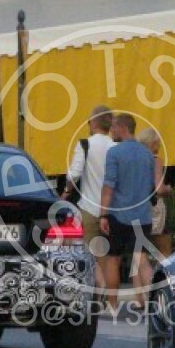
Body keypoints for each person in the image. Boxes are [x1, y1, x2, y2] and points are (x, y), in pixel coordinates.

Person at [99, 113, 156, 312]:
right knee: (141, 258)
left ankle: (112, 304)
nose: (111, 131)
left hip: (118, 215)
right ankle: (153, 302)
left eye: (114, 127)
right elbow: (152, 186)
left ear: (123, 128)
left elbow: (109, 185)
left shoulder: (114, 153)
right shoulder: (147, 154)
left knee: (113, 258)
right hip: (142, 215)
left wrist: (103, 214)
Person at [66, 105, 114, 292]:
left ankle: (96, 292)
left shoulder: (84, 144)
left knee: (90, 254)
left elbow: (74, 174)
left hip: (88, 206)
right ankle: (110, 297)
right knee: (108, 256)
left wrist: (67, 189)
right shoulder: (115, 146)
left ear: (92, 123)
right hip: (111, 210)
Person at [137, 126, 174, 260]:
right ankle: (166, 278)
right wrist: (169, 190)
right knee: (164, 247)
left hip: (136, 207)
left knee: (140, 250)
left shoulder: (133, 160)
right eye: (157, 143)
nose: (159, 146)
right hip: (153, 206)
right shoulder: (155, 160)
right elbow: (159, 188)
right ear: (152, 143)